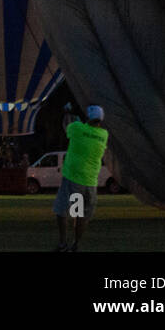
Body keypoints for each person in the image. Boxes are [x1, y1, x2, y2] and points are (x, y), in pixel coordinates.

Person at [53, 103, 109, 252]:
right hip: (90, 182)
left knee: (62, 211)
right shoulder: (104, 135)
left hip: (73, 179)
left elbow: (67, 126)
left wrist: (67, 112)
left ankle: (63, 243)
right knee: (80, 215)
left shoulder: (78, 128)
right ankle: (75, 244)